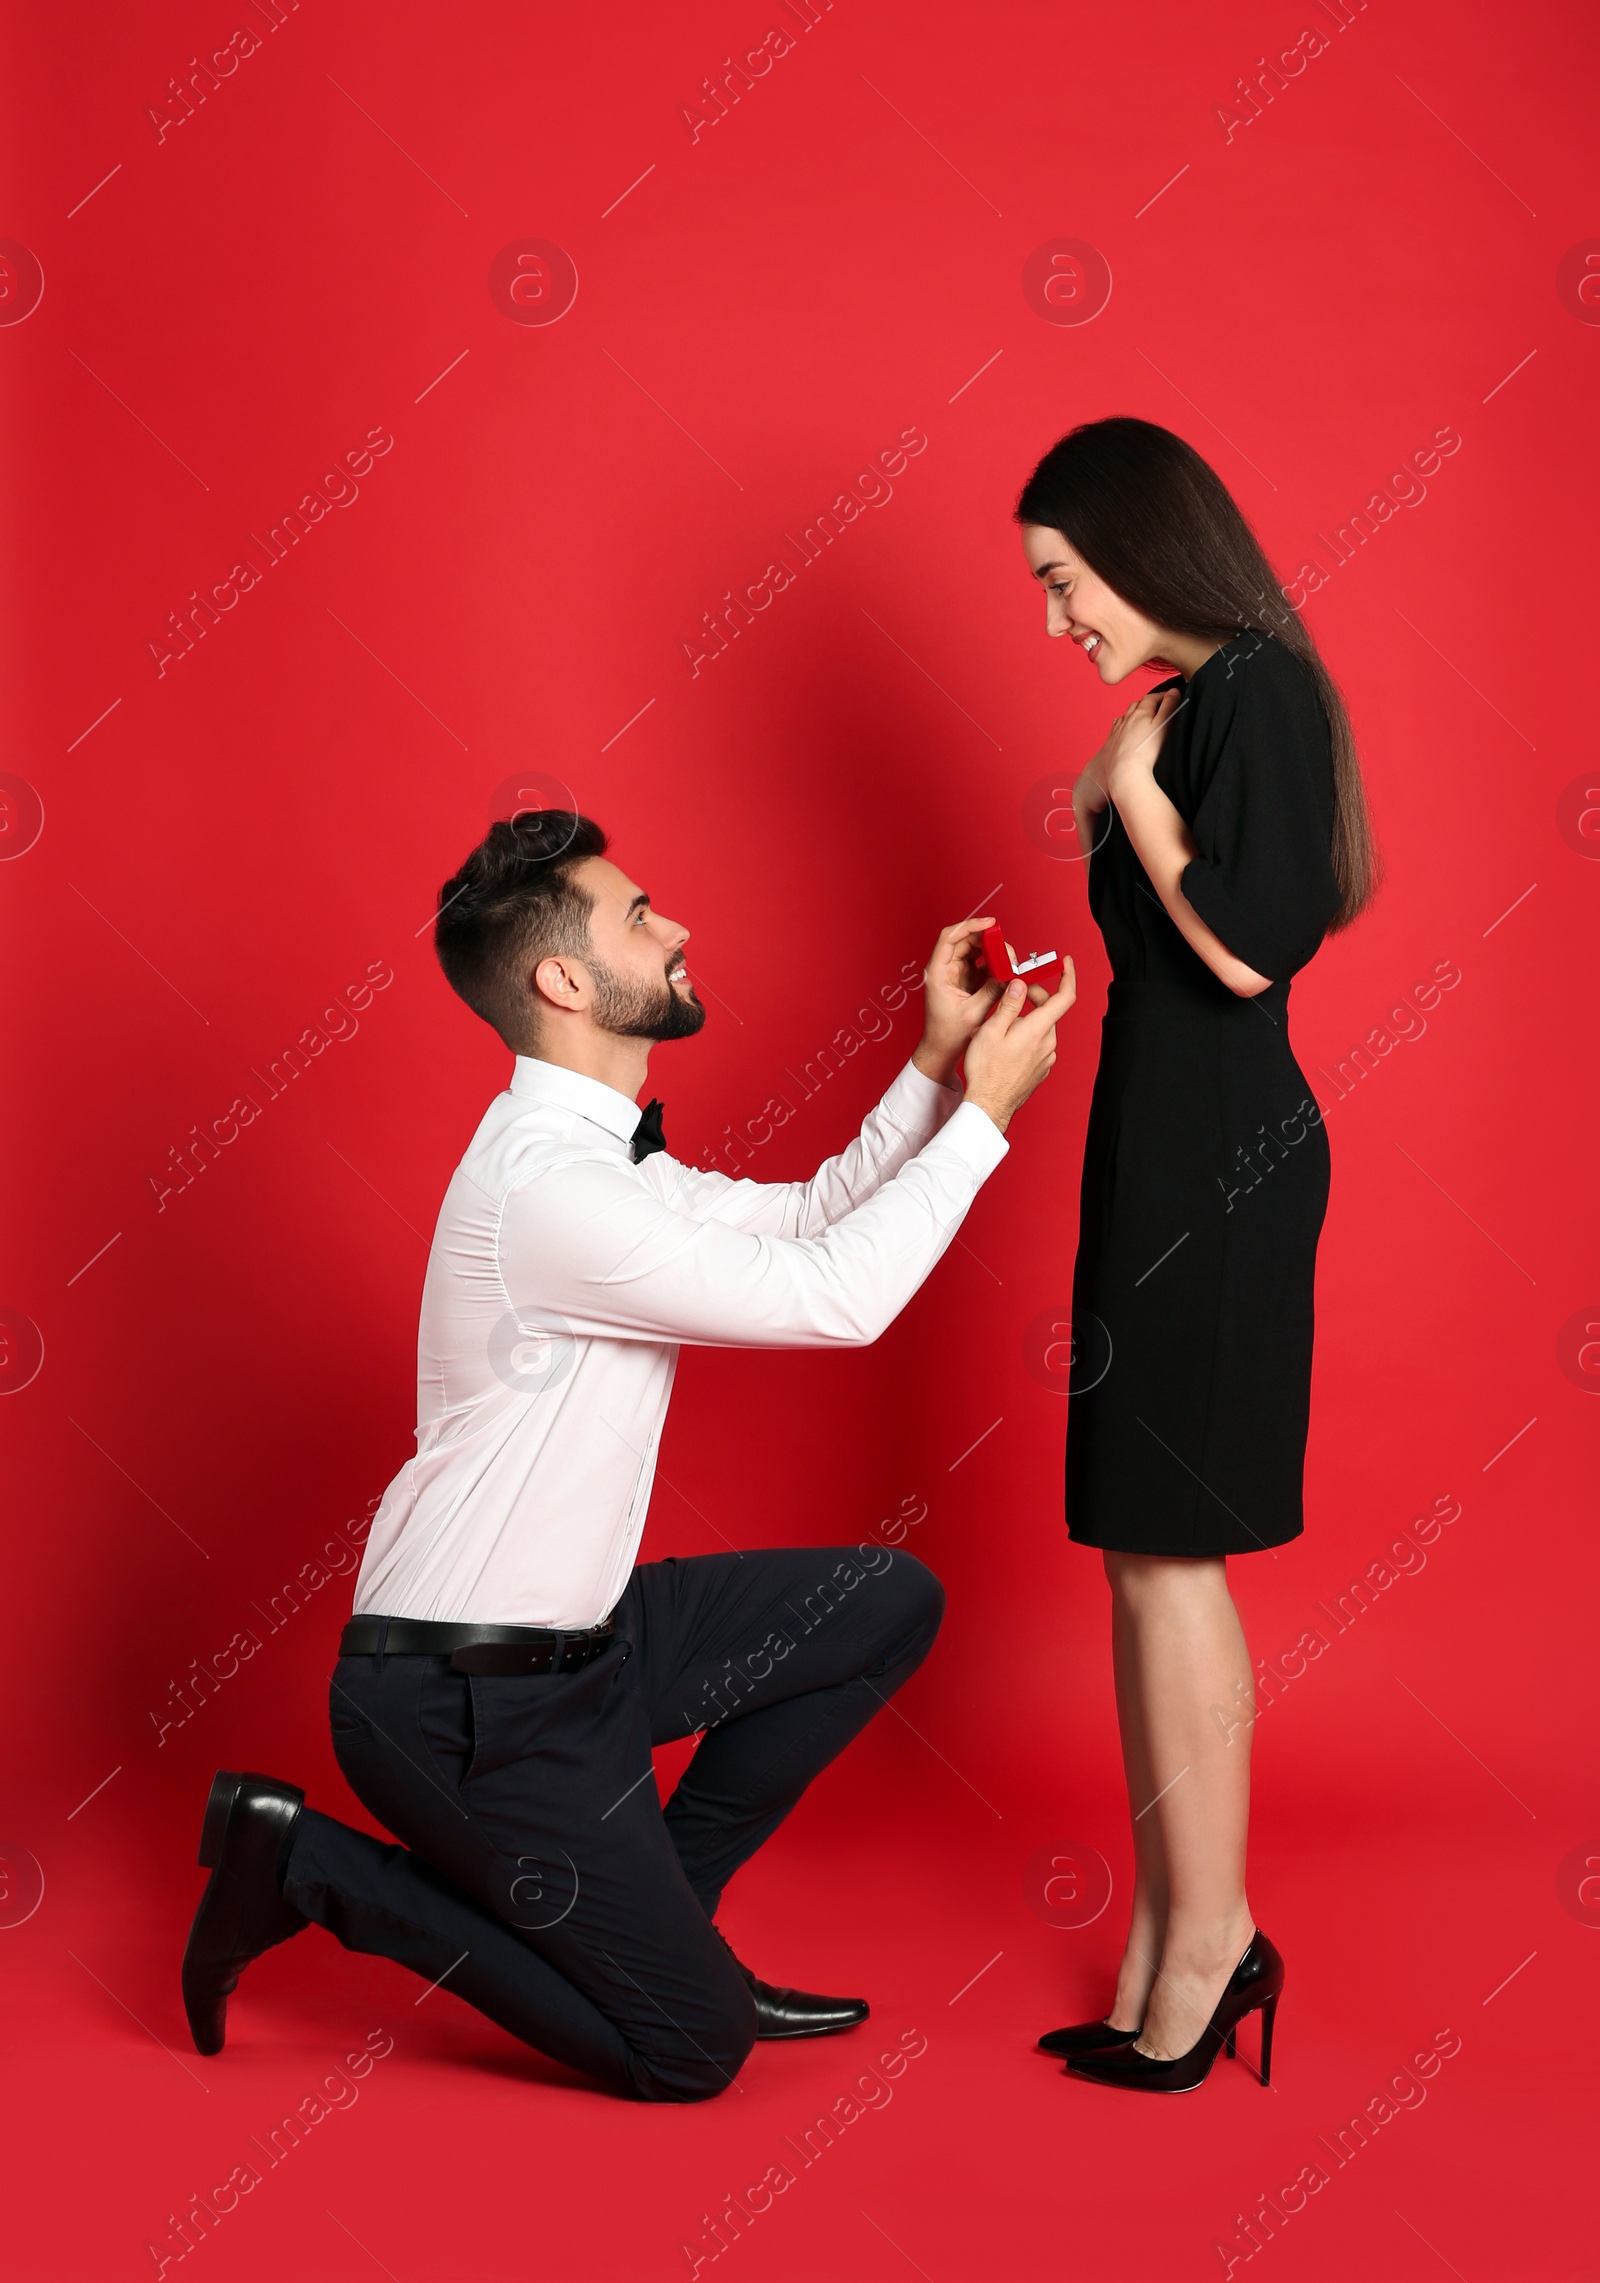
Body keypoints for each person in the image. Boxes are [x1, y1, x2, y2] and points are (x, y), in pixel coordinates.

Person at [181, 808, 1074, 2101]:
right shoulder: (551, 1189)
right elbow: (839, 1300)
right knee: (688, 2051)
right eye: (641, 916)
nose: (679, 929)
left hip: (585, 1649)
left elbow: (818, 1219)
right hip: (463, 1702)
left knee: (885, 1603)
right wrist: (987, 1123)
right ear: (562, 980)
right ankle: (308, 1866)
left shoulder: (609, 1167)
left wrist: (936, 1069)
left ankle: (658, 1921)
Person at [1016, 417, 1378, 2093]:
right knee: (1138, 1554)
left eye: (1064, 581)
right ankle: (1177, 1932)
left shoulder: (1262, 697)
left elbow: (1248, 951)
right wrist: (1112, 786)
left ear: (1145, 551)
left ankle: (1213, 1940)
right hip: (1148, 1156)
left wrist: (1135, 799)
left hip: (1218, 1171)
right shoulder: (1183, 705)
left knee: (1171, 1556)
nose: (1056, 622)